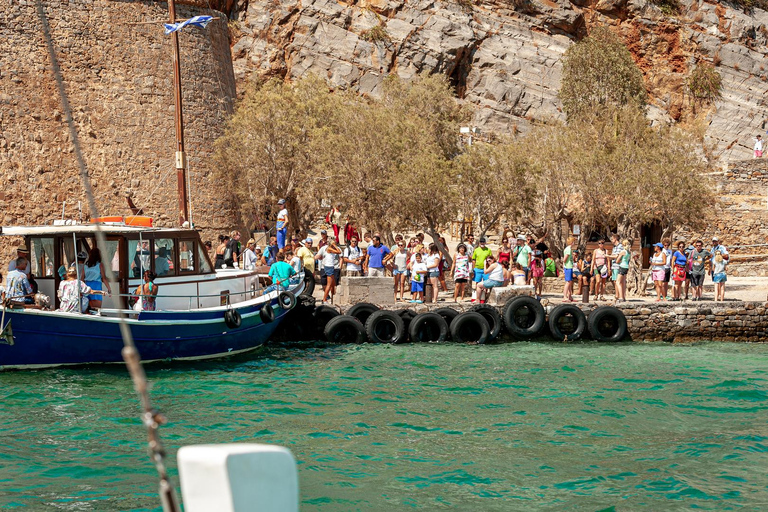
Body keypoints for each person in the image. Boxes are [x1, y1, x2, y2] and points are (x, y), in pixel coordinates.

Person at [315, 236, 341, 303]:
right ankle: (324, 299)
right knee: (329, 284)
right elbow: (339, 252)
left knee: (333, 283)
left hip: (331, 267)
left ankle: (332, 295)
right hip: (328, 267)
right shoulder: (329, 248)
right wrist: (334, 245)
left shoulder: (330, 248)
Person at [470, 238, 492, 302]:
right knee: (477, 283)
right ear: (479, 243)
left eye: (483, 242)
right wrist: (473, 269)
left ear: (485, 242)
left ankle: (485, 296)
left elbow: (490, 259)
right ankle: (478, 298)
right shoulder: (476, 250)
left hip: (486, 269)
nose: (482, 243)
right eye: (481, 242)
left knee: (487, 283)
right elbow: (473, 260)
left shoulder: (488, 250)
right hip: (477, 269)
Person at [615, 238, 631, 303]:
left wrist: (620, 260)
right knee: (623, 282)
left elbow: (617, 261)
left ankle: (621, 297)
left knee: (618, 282)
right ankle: (624, 297)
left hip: (622, 266)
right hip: (626, 266)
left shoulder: (623, 252)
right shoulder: (628, 252)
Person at [562, 237, 575, 302]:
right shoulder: (568, 249)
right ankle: (565, 296)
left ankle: (570, 296)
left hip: (569, 266)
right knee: (568, 282)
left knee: (570, 281)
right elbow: (565, 259)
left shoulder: (568, 249)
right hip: (568, 267)